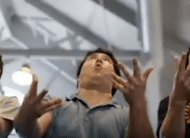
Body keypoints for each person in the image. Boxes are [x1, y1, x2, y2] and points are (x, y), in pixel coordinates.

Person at [14, 47, 156, 138]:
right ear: (78, 76)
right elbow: (29, 132)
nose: (99, 61)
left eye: (106, 61)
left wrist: (139, 104)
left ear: (116, 81)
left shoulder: (128, 115)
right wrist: (26, 117)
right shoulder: (54, 105)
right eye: (92, 59)